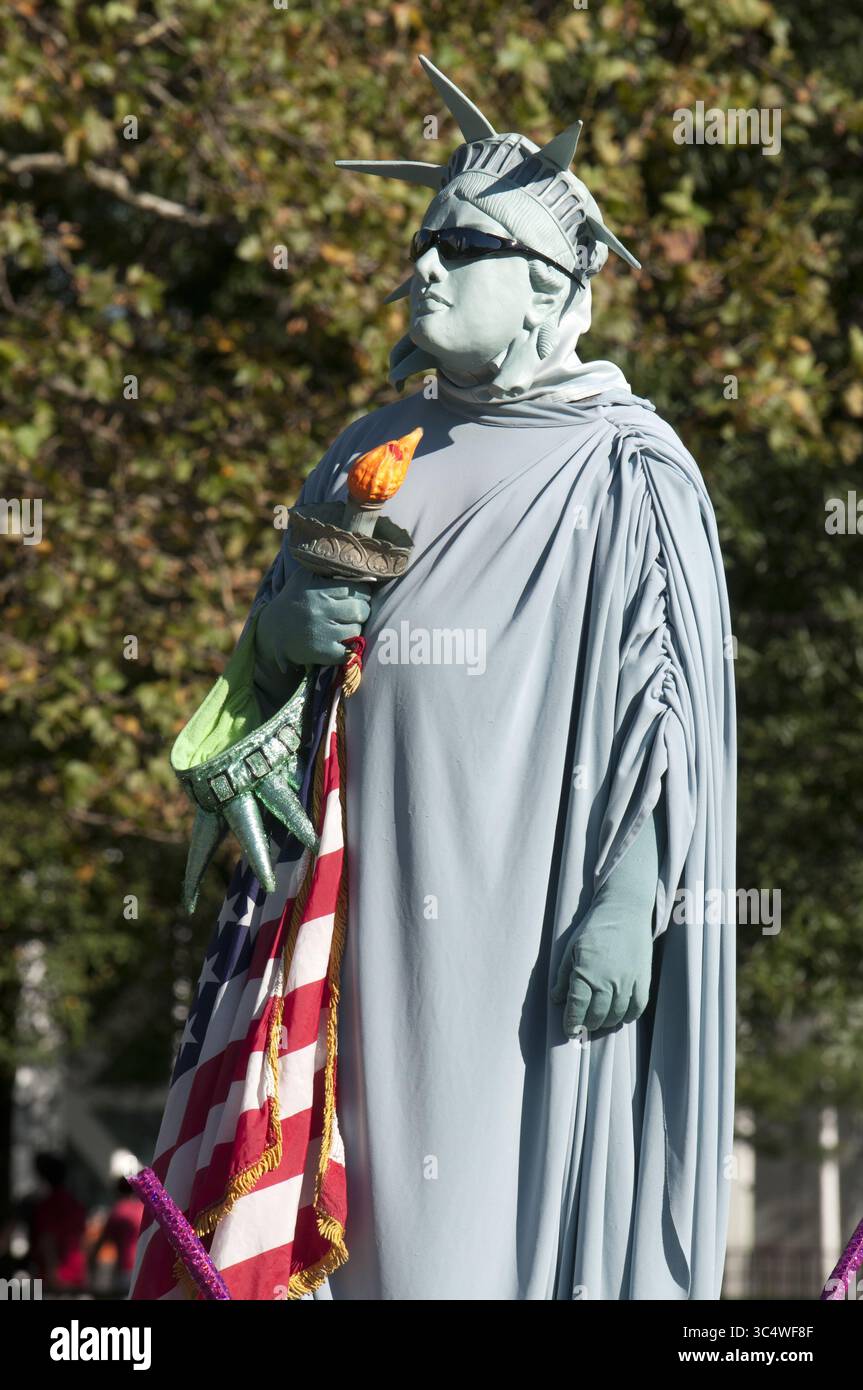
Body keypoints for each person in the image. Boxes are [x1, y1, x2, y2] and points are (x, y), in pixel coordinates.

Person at [140, 57, 736, 1301]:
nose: (422, 266)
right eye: (421, 242)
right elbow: (251, 701)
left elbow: (669, 717)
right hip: (348, 930)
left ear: (544, 281)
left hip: (529, 933)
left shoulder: (629, 468)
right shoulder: (367, 447)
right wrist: (282, 635)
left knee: (485, 1237)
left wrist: (634, 894)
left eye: (457, 245)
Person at [29, 1152, 87, 1293]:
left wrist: (52, 1273)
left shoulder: (47, 1206)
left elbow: (47, 1240)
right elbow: (82, 1240)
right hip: (78, 1274)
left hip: (56, 1278)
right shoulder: (76, 1205)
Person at [90, 1178, 144, 1296]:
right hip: (143, 1267)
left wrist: (90, 1262)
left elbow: (102, 1241)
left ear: (117, 1191)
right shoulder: (142, 1209)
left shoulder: (118, 1211)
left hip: (125, 1269)